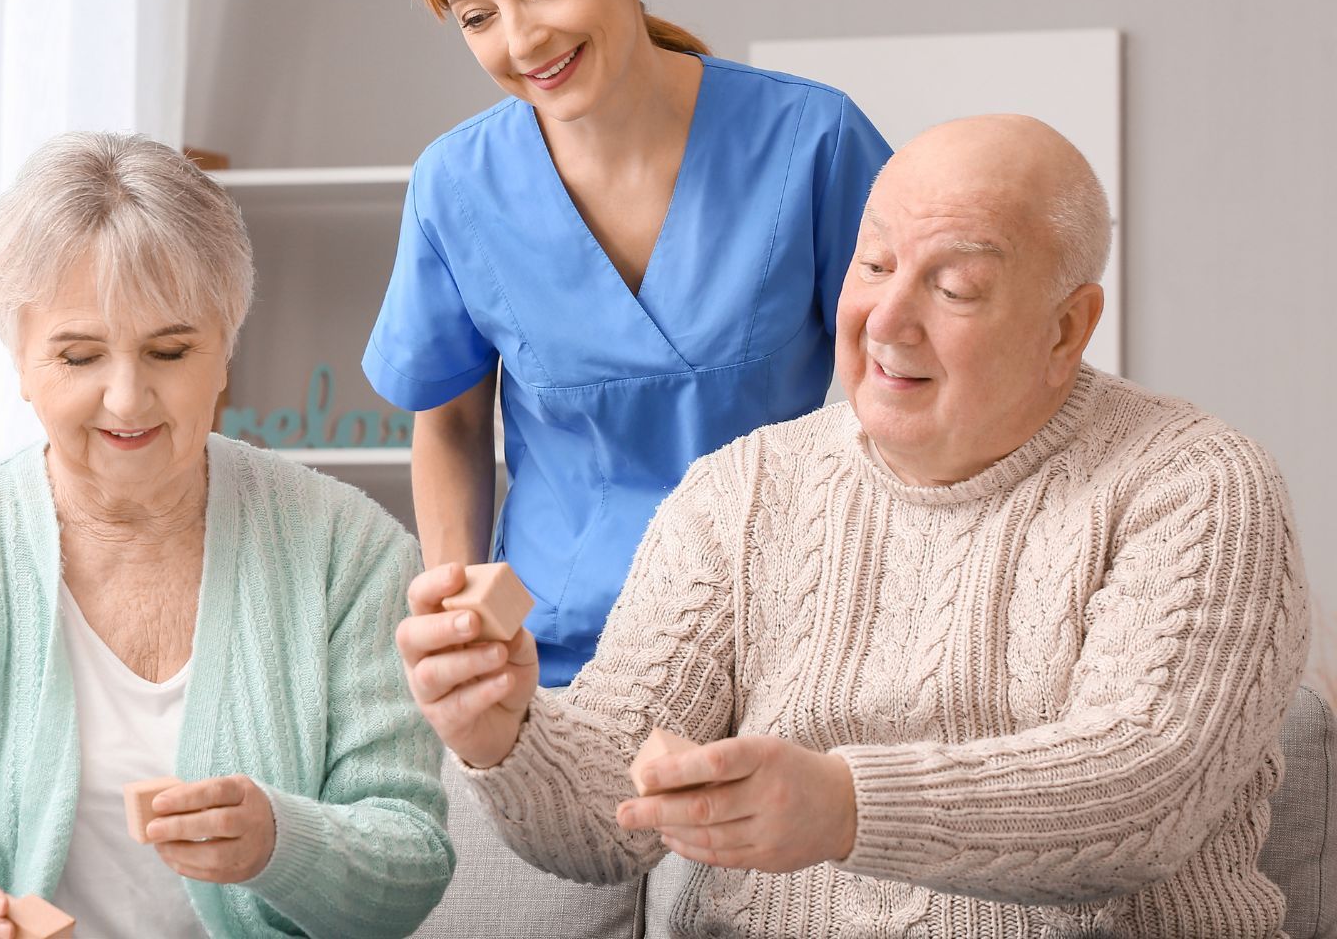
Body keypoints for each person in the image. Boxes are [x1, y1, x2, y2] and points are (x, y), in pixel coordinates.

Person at [397, 115, 1309, 936]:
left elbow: (1139, 794)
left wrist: (846, 807)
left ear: (1068, 328)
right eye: (872, 267)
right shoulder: (740, 490)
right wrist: (505, 735)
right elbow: (608, 817)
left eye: (954, 287)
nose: (888, 319)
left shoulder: (1196, 482)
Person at [0, 132, 453, 939]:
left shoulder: (348, 555)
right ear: (20, 362)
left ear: (225, 349)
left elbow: (412, 868)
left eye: (170, 350)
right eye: (79, 356)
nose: (126, 398)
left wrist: (283, 843)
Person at [364, 0, 893, 685]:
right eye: (478, 17)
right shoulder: (458, 185)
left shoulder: (810, 139)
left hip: (786, 636)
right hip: (558, 653)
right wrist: (461, 609)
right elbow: (452, 423)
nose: (521, 40)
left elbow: (898, 375)